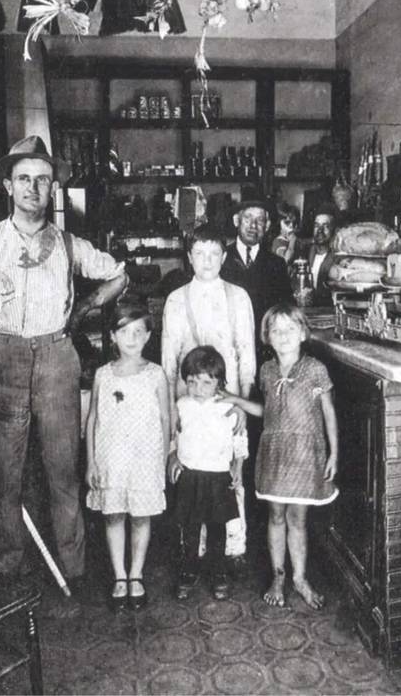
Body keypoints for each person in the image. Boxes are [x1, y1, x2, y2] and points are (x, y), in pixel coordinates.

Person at [0, 136, 128, 601]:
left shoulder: (71, 243)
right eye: (24, 180)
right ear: (8, 187)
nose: (33, 188)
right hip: (2, 360)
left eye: (42, 179)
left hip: (58, 357)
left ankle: (73, 566)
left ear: (53, 187)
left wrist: (84, 309)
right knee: (4, 472)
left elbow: (119, 274)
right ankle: (5, 567)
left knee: (63, 470)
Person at [235, 304, 338, 610]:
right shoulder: (266, 371)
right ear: (267, 336)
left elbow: (329, 413)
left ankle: (300, 579)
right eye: (276, 331)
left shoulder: (316, 368)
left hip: (306, 454)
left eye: (290, 330)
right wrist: (235, 400)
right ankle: (278, 576)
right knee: (275, 516)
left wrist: (335, 453)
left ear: (303, 333)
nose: (283, 336)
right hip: (275, 454)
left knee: (298, 518)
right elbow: (268, 412)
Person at [162, 224, 254, 562]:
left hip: (226, 399)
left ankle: (233, 546)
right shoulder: (176, 299)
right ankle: (194, 547)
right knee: (192, 469)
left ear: (224, 257)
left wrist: (242, 402)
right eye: (199, 254)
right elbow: (169, 360)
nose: (207, 260)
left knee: (230, 470)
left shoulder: (238, 296)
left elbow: (247, 353)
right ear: (189, 257)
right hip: (189, 400)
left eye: (214, 253)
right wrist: (172, 409)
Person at [84, 300, 170, 612]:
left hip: (144, 458)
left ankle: (136, 574)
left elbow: (165, 419)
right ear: (112, 337)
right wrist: (91, 461)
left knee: (141, 516)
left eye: (138, 332)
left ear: (148, 336)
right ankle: (119, 575)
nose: (131, 339)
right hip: (112, 458)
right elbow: (92, 418)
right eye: (124, 332)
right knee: (114, 514)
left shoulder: (156, 374)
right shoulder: (103, 375)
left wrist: (163, 460)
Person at [168, 346, 249, 602]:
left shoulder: (227, 406)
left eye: (205, 382)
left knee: (217, 526)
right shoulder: (181, 406)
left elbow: (239, 440)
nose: (198, 388)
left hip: (218, 476)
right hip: (191, 475)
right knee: (190, 526)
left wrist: (237, 467)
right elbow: (173, 435)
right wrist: (173, 457)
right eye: (191, 382)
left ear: (219, 382)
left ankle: (218, 572)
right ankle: (189, 569)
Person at [221, 199, 294, 342]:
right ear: (237, 221)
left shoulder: (277, 264)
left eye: (260, 220)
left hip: (264, 346)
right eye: (247, 218)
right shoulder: (220, 259)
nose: (253, 226)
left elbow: (286, 309)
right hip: (227, 344)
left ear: (267, 226)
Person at [301, 208, 338, 306]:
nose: (320, 230)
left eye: (325, 226)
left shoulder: (338, 258)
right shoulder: (305, 253)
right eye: (317, 226)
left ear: (334, 230)